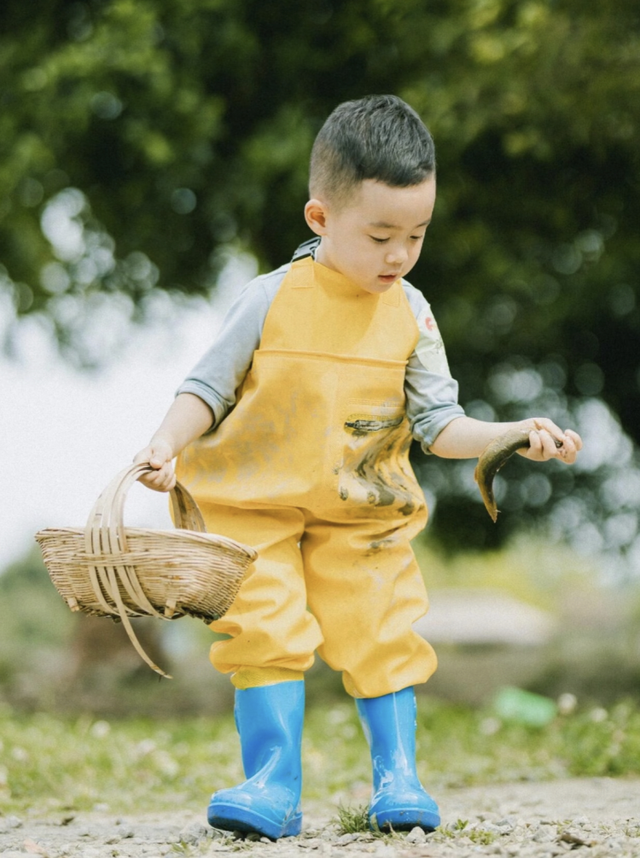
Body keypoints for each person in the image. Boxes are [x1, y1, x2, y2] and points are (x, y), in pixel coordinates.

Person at [133, 95, 582, 839]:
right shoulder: (270, 299)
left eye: (416, 234)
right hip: (256, 509)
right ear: (320, 219)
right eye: (380, 236)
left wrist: (511, 433)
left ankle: (398, 776)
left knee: (381, 628)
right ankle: (272, 782)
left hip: (361, 507)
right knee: (266, 629)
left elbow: (440, 425)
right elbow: (206, 387)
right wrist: (163, 443)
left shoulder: (414, 314)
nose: (399, 254)